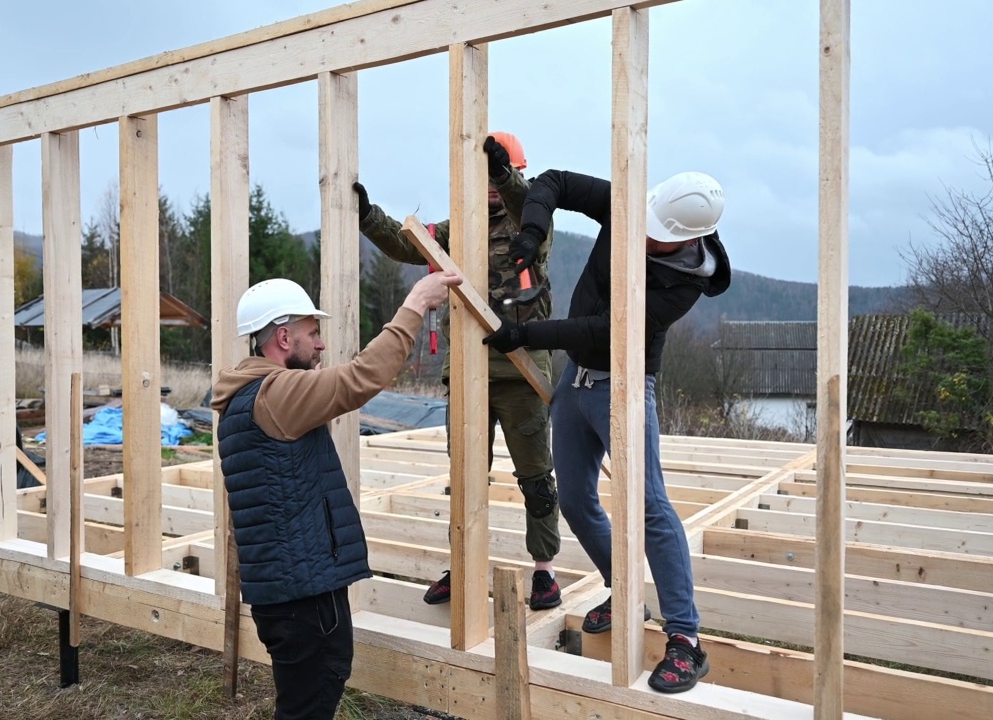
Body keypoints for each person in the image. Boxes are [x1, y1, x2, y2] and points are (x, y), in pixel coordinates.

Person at [482, 169, 730, 694]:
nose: (639, 231)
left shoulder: (684, 284)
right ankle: (624, 588)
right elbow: (555, 183)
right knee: (573, 498)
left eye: (653, 232)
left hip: (624, 383)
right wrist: (532, 229)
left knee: (649, 507)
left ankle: (686, 640)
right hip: (577, 379)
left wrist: (525, 335)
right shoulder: (632, 206)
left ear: (684, 239)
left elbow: (605, 329)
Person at [212, 270, 461, 719]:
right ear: (284, 338)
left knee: (302, 699)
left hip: (283, 594)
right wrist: (416, 304)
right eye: (313, 333)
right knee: (311, 700)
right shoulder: (277, 394)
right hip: (305, 597)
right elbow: (363, 378)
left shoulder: (247, 396)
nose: (321, 344)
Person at [351, 133, 563, 611]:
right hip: (467, 371)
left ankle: (544, 571)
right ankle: (461, 562)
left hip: (522, 371)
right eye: (483, 176)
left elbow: (518, 198)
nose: (490, 186)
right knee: (465, 477)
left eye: (499, 175)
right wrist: (368, 217)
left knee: (536, 477)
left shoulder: (533, 220)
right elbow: (410, 246)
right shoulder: (460, 229)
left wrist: (503, 173)